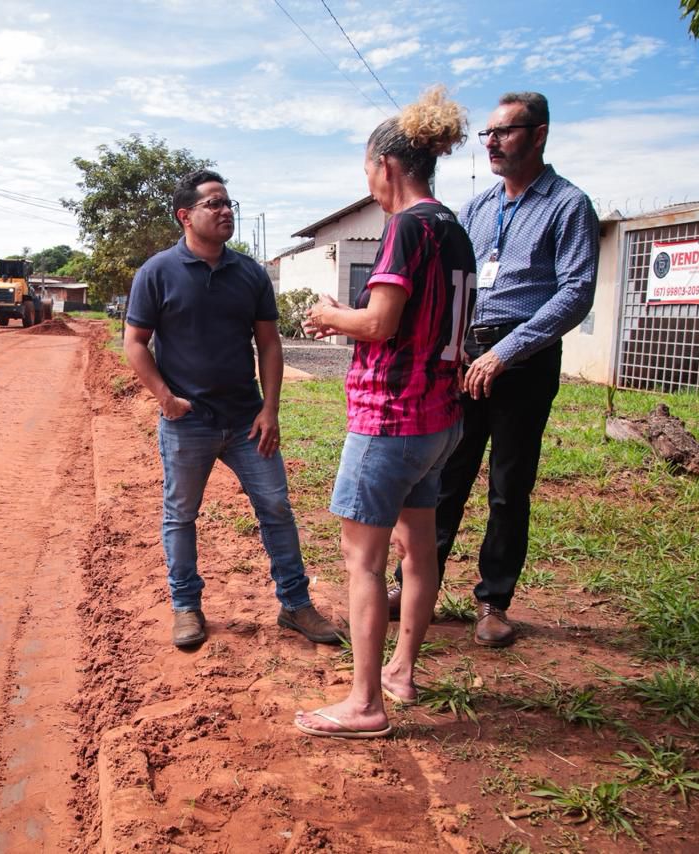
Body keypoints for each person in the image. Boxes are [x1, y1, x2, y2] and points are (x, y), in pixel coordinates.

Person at [294, 87, 475, 738]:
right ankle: (400, 672)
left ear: (388, 167)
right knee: (418, 553)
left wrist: (328, 315)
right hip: (439, 420)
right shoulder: (454, 228)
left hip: (390, 420)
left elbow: (378, 320)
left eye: (367, 168)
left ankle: (365, 704)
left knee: (364, 561)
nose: (367, 181)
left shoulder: (405, 227)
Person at [388, 91, 599, 648]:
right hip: (465, 354)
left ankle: (493, 602)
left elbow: (576, 292)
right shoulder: (478, 208)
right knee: (444, 475)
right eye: (487, 133)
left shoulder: (568, 205)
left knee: (509, 486)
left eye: (504, 132)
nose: (491, 143)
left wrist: (506, 352)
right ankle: (412, 588)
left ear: (539, 134)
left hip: (521, 359)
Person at [124, 169, 340, 650]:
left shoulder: (250, 273)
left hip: (247, 420)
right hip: (188, 422)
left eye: (229, 204)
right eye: (214, 204)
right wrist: (165, 398)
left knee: (277, 509)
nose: (226, 212)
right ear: (186, 215)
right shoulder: (157, 273)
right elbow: (135, 343)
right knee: (181, 515)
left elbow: (269, 343)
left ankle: (295, 604)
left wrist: (271, 408)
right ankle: (186, 607)